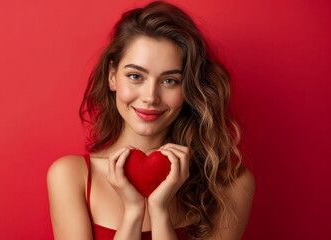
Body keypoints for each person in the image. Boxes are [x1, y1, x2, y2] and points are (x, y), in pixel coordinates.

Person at [47, 1, 255, 239]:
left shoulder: (231, 183)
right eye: (135, 76)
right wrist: (133, 211)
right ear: (113, 76)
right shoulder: (71, 176)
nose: (150, 97)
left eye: (170, 81)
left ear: (189, 88)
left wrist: (159, 211)